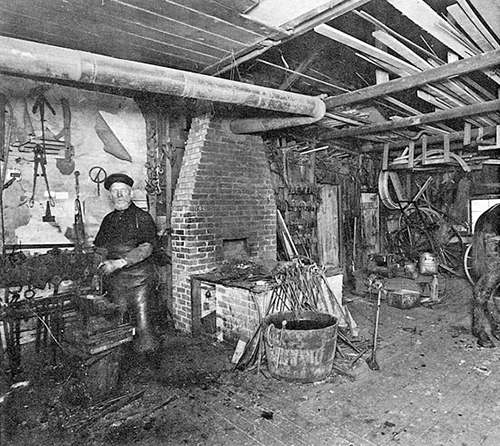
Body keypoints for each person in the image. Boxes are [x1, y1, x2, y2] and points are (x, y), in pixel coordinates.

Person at [93, 173, 159, 356]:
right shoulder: (108, 220)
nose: (119, 195)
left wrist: (120, 262)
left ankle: (151, 367)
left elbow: (147, 247)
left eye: (123, 191)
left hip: (140, 279)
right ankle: (120, 362)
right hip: (116, 281)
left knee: (143, 324)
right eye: (115, 191)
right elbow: (100, 249)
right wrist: (95, 274)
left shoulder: (142, 217)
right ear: (111, 195)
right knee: (117, 322)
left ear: (130, 194)